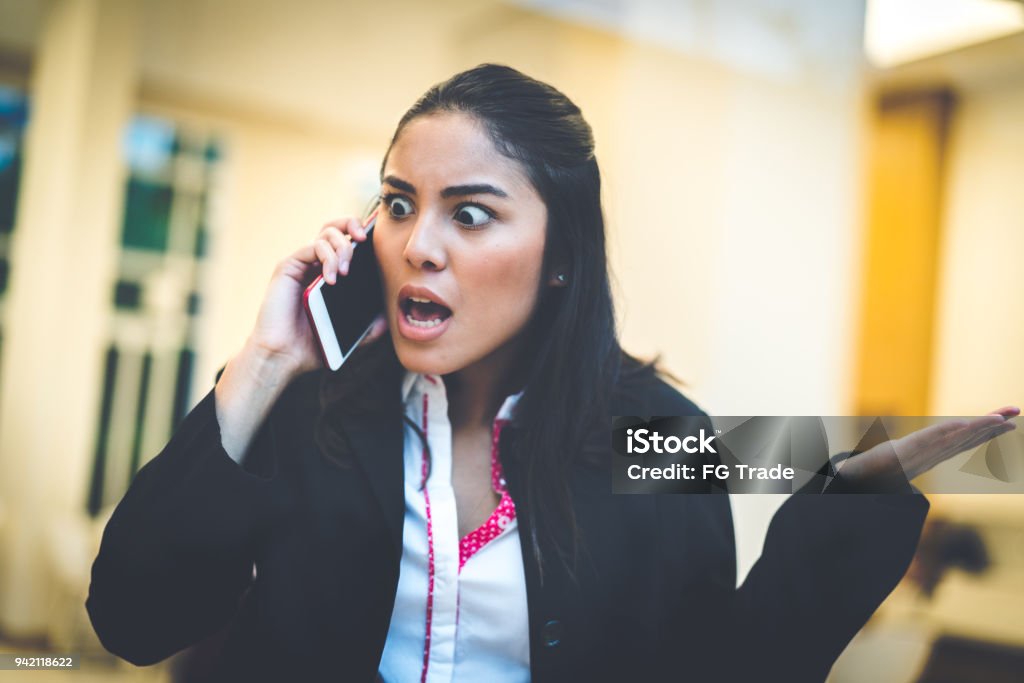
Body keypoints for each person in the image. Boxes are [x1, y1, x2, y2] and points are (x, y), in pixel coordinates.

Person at [85, 64, 1017, 683]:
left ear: (559, 251)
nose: (420, 246)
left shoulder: (657, 435)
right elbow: (133, 617)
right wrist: (264, 364)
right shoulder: (314, 411)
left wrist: (847, 500)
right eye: (400, 205)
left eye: (472, 213)